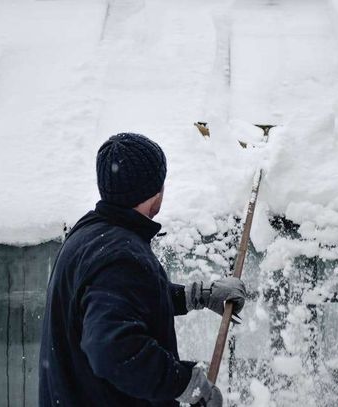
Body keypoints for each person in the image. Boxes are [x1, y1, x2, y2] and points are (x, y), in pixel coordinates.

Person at [39, 133, 247, 407]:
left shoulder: (89, 235)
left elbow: (129, 299)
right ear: (156, 191)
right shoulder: (119, 254)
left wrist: (196, 296)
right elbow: (112, 350)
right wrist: (184, 383)